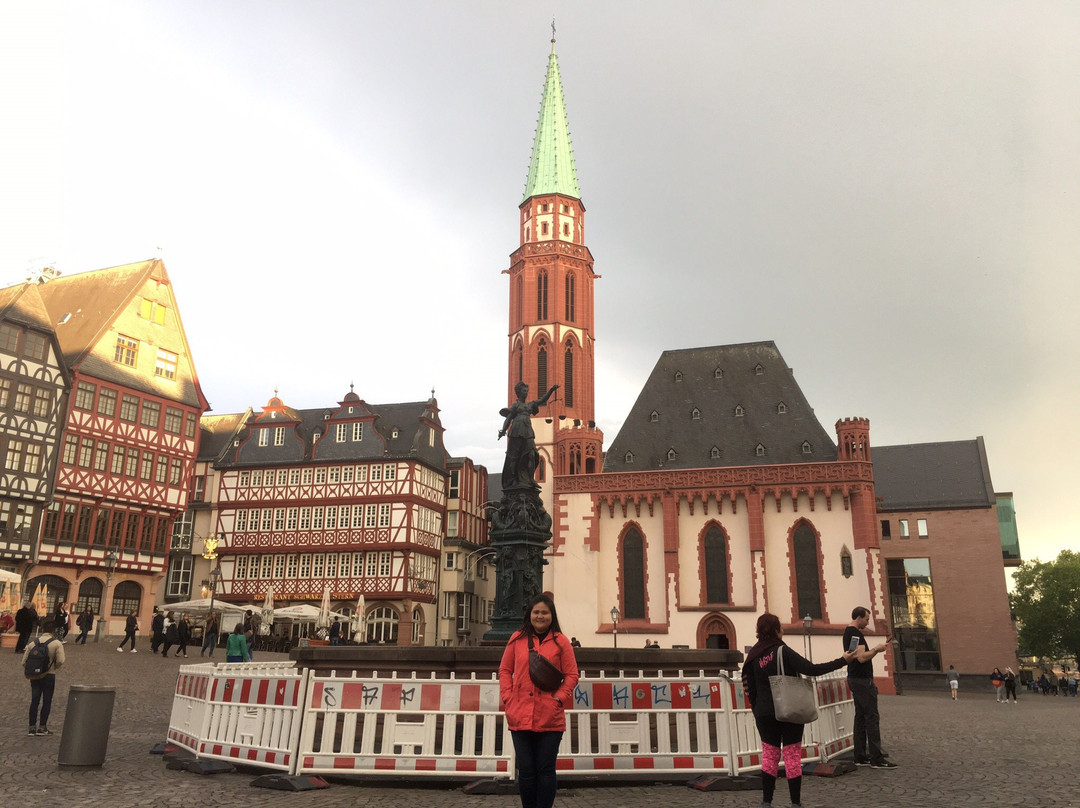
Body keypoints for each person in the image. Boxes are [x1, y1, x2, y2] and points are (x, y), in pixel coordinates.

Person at [742, 613, 855, 808]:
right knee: (792, 754)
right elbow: (811, 669)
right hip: (789, 708)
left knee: (770, 755)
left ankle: (766, 801)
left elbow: (748, 687)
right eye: (781, 627)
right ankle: (795, 802)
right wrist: (843, 660)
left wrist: (758, 708)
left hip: (764, 713)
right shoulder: (782, 651)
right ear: (777, 630)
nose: (783, 630)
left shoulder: (753, 656)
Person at [498, 593, 579, 808]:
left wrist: (559, 699)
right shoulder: (516, 638)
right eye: (536, 612)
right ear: (529, 614)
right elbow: (505, 670)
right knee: (525, 770)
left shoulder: (561, 642)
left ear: (552, 616)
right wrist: (508, 697)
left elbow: (572, 675)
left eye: (545, 612)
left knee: (545, 770)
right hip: (520, 713)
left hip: (549, 715)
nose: (540, 616)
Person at [843, 606, 897, 769]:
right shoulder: (855, 633)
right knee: (871, 717)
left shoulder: (849, 632)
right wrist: (876, 649)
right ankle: (876, 758)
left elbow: (855, 655)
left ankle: (860, 756)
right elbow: (861, 658)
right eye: (866, 619)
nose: (867, 623)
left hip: (855, 679)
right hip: (862, 680)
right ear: (859, 617)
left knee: (860, 717)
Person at [498, 382, 559, 489]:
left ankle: (529, 479)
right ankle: (513, 480)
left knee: (532, 454)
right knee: (514, 456)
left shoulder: (530, 405)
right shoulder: (515, 405)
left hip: (527, 431)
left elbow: (542, 400)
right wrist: (503, 430)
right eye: (524, 391)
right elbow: (508, 418)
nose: (526, 393)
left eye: (527, 391)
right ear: (519, 392)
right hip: (517, 430)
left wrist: (551, 390)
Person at [23, 616, 65, 736]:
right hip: (49, 675)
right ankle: (42, 727)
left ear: (42, 629)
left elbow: (23, 662)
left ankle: (31, 728)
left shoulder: (33, 643)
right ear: (54, 630)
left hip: (35, 676)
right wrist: (54, 667)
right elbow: (61, 660)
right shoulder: (56, 643)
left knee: (34, 701)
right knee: (47, 701)